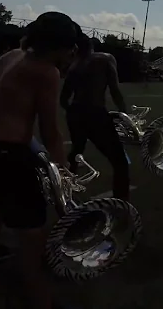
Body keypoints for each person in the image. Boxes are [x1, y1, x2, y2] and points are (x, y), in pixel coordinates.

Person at [0, 12, 79, 309]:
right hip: (8, 156)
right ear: (58, 45)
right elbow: (51, 131)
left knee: (2, 198)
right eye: (69, 48)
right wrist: (63, 175)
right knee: (32, 244)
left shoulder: (10, 56)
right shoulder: (46, 71)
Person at [60, 34, 130, 200]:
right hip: (95, 114)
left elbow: (63, 99)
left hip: (75, 113)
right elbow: (115, 90)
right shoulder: (105, 59)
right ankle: (122, 204)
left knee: (76, 151)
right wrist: (126, 115)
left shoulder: (74, 66)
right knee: (120, 162)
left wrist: (75, 112)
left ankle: (64, 195)